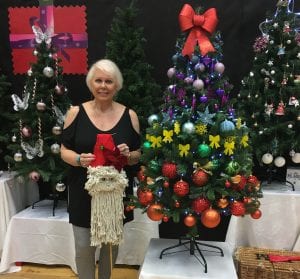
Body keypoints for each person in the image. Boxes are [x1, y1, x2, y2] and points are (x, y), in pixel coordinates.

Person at [60, 59, 141, 279]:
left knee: (109, 247)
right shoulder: (76, 113)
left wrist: (128, 155)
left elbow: (137, 155)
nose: (103, 86)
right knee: (83, 246)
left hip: (115, 195)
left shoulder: (129, 115)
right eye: (98, 80)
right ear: (90, 84)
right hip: (82, 191)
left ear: (117, 85)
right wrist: (78, 159)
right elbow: (63, 150)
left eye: (108, 81)